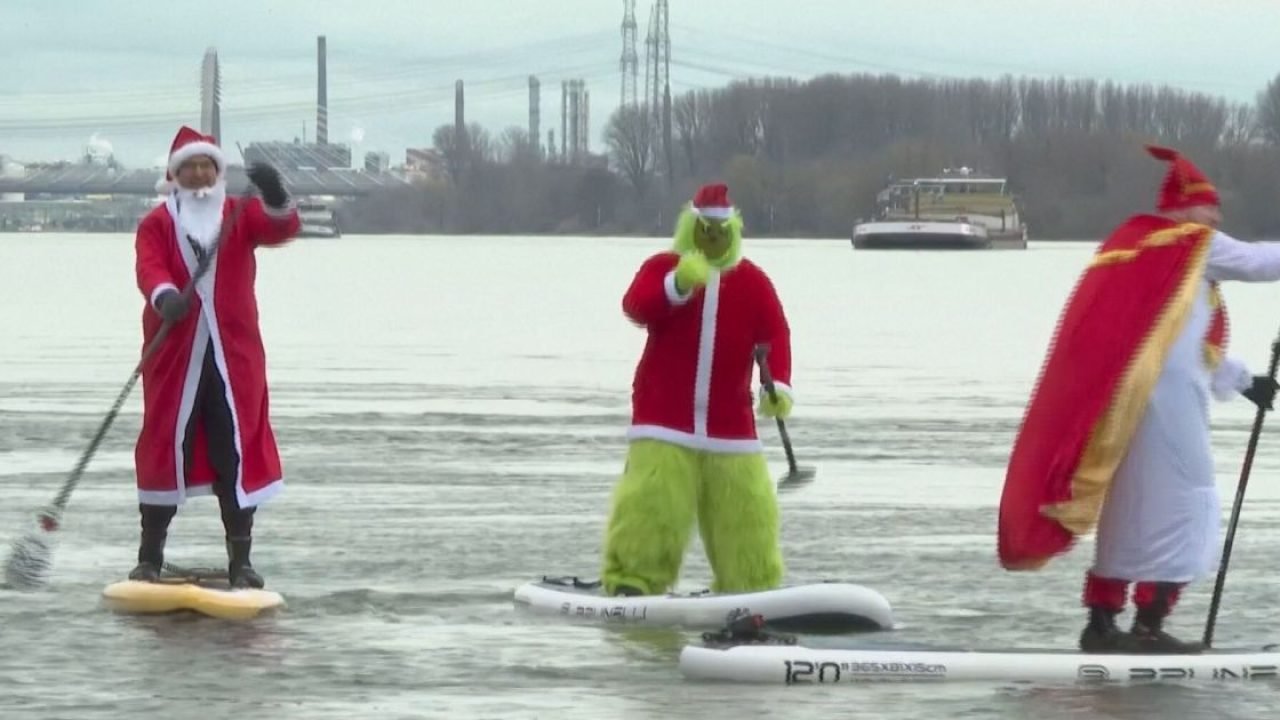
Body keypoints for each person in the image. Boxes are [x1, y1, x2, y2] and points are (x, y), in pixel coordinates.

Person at [998, 143, 1280, 654]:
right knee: (1190, 506)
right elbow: (1261, 263)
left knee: (1127, 511)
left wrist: (1244, 382)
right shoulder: (1190, 243)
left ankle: (1101, 623)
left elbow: (1182, 344)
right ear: (1182, 210)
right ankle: (1149, 624)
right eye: (1208, 208)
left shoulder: (1145, 250)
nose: (1215, 218)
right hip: (1165, 409)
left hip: (1128, 407)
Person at [600, 182, 794, 597]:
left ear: (733, 233)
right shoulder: (663, 268)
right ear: (691, 228)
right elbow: (637, 306)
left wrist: (777, 387)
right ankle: (633, 579)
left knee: (747, 512)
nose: (712, 239)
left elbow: (774, 336)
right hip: (663, 420)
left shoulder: (754, 283)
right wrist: (677, 286)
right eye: (704, 230)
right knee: (653, 505)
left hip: (731, 427)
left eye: (720, 231)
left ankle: (751, 586)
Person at [131, 125, 300, 588]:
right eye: (190, 167)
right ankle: (149, 556)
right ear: (176, 174)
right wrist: (165, 297)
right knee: (167, 444)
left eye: (207, 165)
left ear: (218, 172)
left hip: (233, 356)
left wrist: (276, 193)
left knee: (236, 449)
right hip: (175, 357)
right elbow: (149, 268)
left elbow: (282, 227)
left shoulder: (239, 216)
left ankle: (240, 561)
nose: (200, 174)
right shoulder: (157, 224)